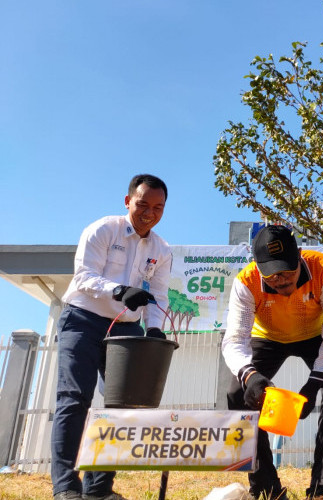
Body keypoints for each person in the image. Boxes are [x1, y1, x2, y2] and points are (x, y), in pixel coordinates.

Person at [51, 174, 172, 500]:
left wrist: (156, 328)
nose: (149, 213)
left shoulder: (161, 249)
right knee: (74, 399)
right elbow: (85, 276)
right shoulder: (103, 229)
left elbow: (159, 295)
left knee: (120, 407)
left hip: (125, 329)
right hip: (82, 319)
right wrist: (119, 290)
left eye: (158, 207)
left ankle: (99, 490)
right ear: (127, 201)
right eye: (143, 205)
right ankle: (65, 487)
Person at [222, 225, 323, 500]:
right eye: (272, 274)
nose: (281, 280)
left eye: (287, 271)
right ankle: (265, 485)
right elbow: (234, 340)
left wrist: (315, 383)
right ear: (257, 267)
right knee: (237, 393)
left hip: (316, 335)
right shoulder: (246, 282)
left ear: (300, 257)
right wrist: (251, 376)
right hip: (267, 336)